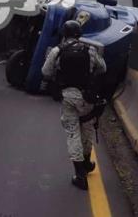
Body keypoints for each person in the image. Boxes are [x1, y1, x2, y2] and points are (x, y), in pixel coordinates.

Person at [42, 20, 107, 191]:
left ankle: (80, 175)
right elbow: (103, 68)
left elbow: (45, 72)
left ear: (64, 34)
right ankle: (86, 163)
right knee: (86, 129)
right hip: (87, 98)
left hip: (68, 97)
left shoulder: (57, 51)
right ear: (79, 34)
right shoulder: (90, 50)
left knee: (73, 134)